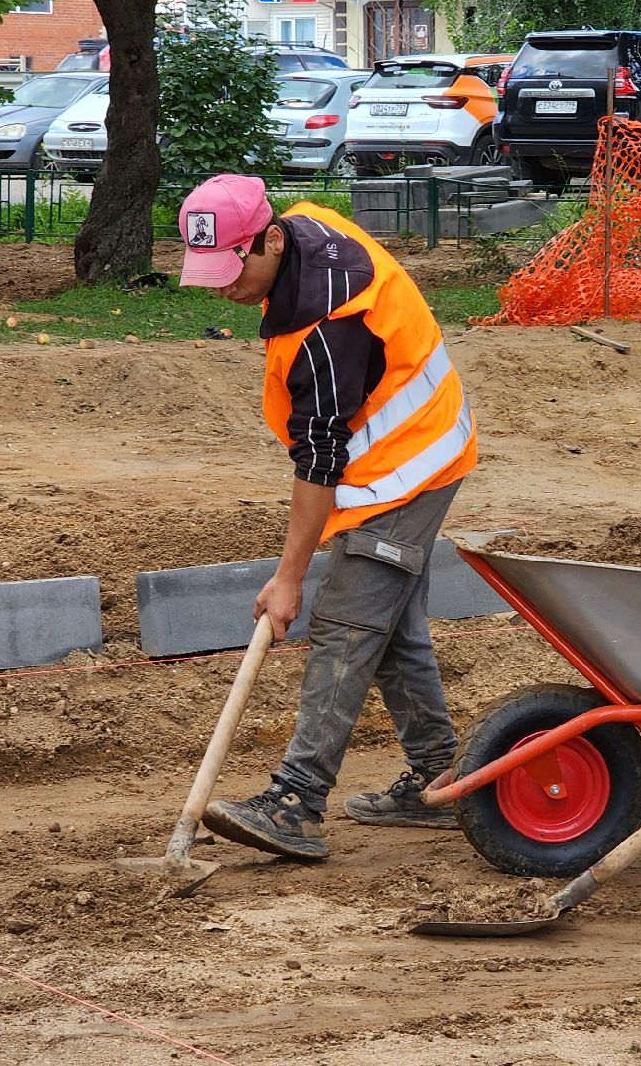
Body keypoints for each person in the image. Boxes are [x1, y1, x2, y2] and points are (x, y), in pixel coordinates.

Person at [176, 173, 477, 860]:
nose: (223, 287)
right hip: (387, 452)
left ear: (272, 240)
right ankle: (440, 780)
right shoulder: (302, 233)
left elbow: (318, 458)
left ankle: (297, 800)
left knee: (347, 621)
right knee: (389, 625)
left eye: (233, 268)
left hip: (411, 461)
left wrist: (288, 580)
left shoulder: (328, 327)